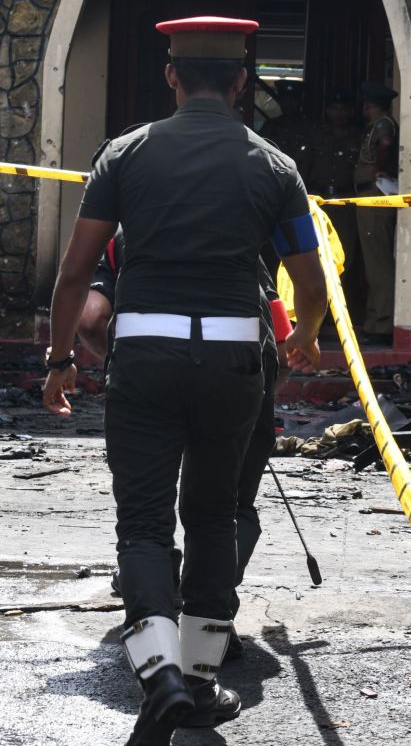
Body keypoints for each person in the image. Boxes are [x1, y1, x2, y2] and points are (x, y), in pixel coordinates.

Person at [41, 16, 327, 745]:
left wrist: (58, 360)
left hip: (144, 358)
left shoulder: (124, 154)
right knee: (214, 517)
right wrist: (310, 339)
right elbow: (308, 277)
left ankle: (158, 673)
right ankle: (197, 684)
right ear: (241, 84)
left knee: (141, 523)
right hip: (234, 364)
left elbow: (76, 273)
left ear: (171, 76)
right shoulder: (273, 166)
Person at [77, 231, 293, 658]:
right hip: (237, 374)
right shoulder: (235, 230)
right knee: (226, 509)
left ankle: (155, 634)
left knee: (145, 520)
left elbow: (89, 319)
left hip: (148, 372)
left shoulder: (124, 238)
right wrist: (263, 392)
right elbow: (281, 337)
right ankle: (209, 626)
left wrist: (120, 364)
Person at [305, 91, 361, 315]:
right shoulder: (317, 135)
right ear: (327, 111)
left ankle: (340, 311)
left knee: (344, 257)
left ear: (350, 112)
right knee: (315, 256)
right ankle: (317, 310)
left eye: (343, 109)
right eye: (334, 108)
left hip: (346, 202)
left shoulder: (358, 137)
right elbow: (305, 165)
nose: (338, 113)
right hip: (319, 202)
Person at [353, 81, 399, 346]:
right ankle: (374, 320)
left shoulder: (383, 124)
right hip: (369, 193)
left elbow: (385, 143)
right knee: (373, 262)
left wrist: (381, 167)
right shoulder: (379, 123)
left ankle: (381, 322)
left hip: (376, 193)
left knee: (378, 262)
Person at [259, 80, 314, 176]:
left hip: (301, 177)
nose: (288, 104)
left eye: (293, 100)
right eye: (285, 100)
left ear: (300, 101)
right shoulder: (270, 126)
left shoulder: (310, 127)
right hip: (274, 177)